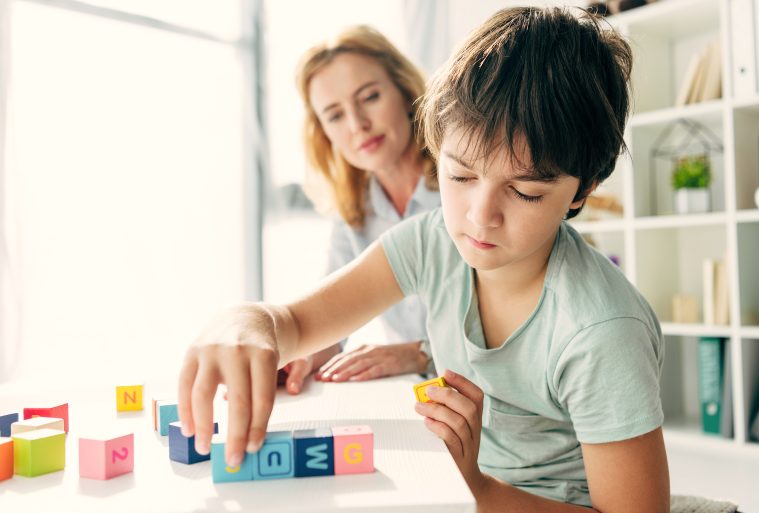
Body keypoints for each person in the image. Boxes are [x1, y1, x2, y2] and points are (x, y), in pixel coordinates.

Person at [179, 7, 670, 512]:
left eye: (523, 191)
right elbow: (295, 322)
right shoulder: (432, 241)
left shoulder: (601, 331)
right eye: (459, 177)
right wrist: (247, 320)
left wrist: (476, 488)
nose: (480, 218)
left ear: (582, 189)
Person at [279, 25, 441, 395]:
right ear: (324, 132)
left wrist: (421, 354)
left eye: (369, 97)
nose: (357, 125)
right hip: (424, 402)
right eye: (335, 115)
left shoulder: (466, 182)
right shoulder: (353, 212)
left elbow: (514, 321)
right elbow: (331, 320)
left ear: (404, 90)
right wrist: (304, 356)